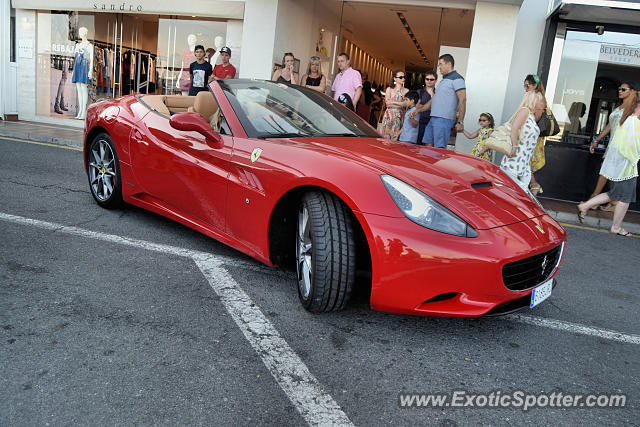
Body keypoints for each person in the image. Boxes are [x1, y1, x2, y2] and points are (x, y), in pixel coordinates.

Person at [578, 90, 640, 236]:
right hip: (625, 166)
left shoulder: (627, 119)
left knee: (615, 195)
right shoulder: (633, 122)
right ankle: (616, 227)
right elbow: (630, 146)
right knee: (624, 199)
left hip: (619, 165)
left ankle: (585, 205)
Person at [588, 82, 637, 209]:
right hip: (612, 144)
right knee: (609, 172)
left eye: (623, 89)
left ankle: (594, 199)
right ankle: (611, 202)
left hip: (621, 146)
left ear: (631, 91)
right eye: (619, 89)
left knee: (606, 171)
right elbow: (610, 125)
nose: (620, 91)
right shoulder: (619, 107)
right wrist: (597, 140)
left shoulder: (633, 108)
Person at [500, 91, 546, 185]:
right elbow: (514, 128)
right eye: (540, 100)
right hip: (515, 159)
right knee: (511, 190)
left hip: (524, 161)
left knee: (522, 191)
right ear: (534, 100)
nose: (542, 102)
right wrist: (514, 146)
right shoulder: (525, 111)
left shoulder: (532, 116)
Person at [422, 54, 466, 148]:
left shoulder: (457, 78)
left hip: (444, 119)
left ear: (449, 64)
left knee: (439, 148)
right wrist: (418, 110)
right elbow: (434, 100)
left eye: (441, 64)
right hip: (433, 117)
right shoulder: (444, 80)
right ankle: (429, 163)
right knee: (427, 144)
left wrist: (460, 122)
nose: (439, 67)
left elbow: (462, 100)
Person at [524, 74, 548, 195]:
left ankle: (533, 184)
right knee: (524, 159)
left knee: (525, 158)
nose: (525, 88)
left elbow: (536, 118)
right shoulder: (535, 97)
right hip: (529, 133)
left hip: (531, 134)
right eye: (524, 85)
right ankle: (531, 185)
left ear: (535, 85)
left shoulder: (538, 98)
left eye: (527, 85)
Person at [381, 70, 410, 140]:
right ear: (395, 78)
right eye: (400, 77)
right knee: (386, 137)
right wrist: (400, 104)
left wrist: (393, 102)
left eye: (404, 77)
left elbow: (405, 104)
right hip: (389, 116)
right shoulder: (389, 89)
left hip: (399, 117)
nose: (403, 79)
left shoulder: (406, 91)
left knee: (395, 138)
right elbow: (387, 104)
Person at [409, 71, 437, 144]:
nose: (429, 81)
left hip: (432, 122)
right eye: (427, 79)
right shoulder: (419, 92)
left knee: (429, 147)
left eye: (431, 79)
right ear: (424, 80)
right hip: (420, 122)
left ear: (436, 80)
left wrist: (423, 106)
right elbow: (416, 106)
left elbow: (439, 108)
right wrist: (431, 106)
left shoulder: (438, 93)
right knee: (417, 146)